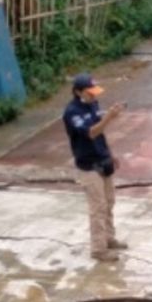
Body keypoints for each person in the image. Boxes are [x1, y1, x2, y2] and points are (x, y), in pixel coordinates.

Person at [63, 73, 127, 262]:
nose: (93, 96)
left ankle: (108, 238)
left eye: (94, 92)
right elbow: (91, 133)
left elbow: (101, 133)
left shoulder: (93, 104)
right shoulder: (72, 112)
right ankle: (99, 250)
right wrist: (109, 117)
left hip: (103, 159)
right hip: (88, 165)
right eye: (90, 93)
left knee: (109, 201)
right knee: (97, 207)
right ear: (77, 92)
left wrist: (111, 153)